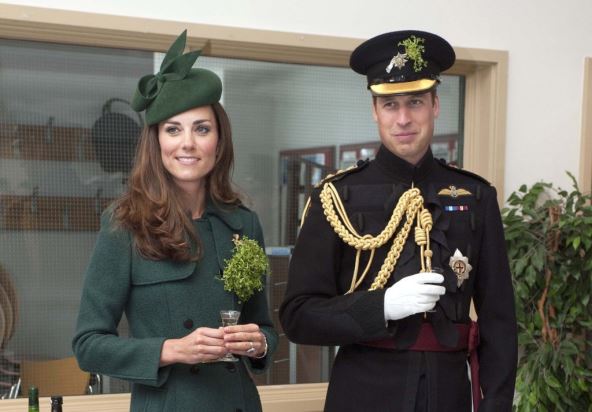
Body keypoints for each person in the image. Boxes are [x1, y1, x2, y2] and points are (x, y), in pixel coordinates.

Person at [279, 30, 517, 412]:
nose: (403, 118)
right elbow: (298, 317)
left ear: (435, 105)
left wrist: (497, 403)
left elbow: (499, 319)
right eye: (390, 104)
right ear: (375, 110)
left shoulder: (475, 196)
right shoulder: (337, 196)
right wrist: (382, 306)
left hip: (448, 394)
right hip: (363, 393)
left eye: (415, 102)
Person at [72, 30, 277, 412]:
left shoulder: (243, 223)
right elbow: (88, 345)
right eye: (173, 129)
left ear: (219, 140)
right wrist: (172, 350)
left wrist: (260, 343)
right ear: (156, 142)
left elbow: (263, 326)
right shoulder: (124, 225)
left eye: (201, 128)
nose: (187, 143)